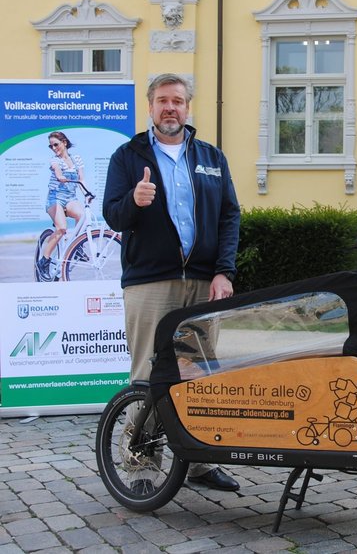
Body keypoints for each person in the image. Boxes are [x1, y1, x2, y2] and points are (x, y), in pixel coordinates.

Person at [103, 73, 241, 493]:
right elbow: (112, 215)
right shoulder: (128, 156)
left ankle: (198, 463)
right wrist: (134, 201)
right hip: (150, 283)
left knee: (198, 373)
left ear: (187, 107)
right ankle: (142, 467)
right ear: (150, 106)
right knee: (149, 372)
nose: (170, 108)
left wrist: (224, 271)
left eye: (177, 101)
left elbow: (229, 217)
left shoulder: (210, 157)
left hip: (202, 283)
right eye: (162, 100)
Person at [37, 132, 85, 281]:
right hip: (55, 198)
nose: (53, 148)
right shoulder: (54, 160)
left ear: (64, 142)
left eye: (56, 144)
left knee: (82, 216)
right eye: (51, 146)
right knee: (61, 228)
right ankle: (43, 262)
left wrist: (87, 194)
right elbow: (57, 170)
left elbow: (82, 180)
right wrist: (59, 176)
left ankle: (76, 248)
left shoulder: (76, 159)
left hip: (70, 198)